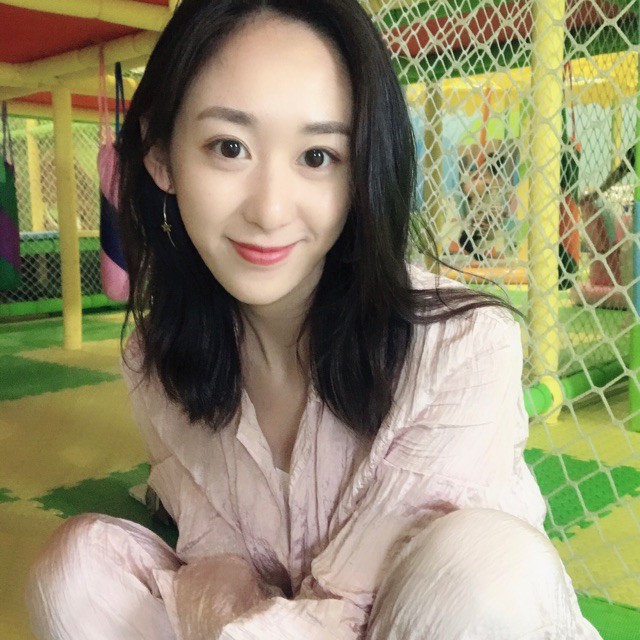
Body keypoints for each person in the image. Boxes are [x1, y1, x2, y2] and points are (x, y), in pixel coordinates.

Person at [26, 1, 603, 638]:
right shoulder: (155, 361)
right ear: (162, 157)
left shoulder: (463, 347)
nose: (270, 211)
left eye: (318, 156)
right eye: (229, 147)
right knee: (74, 571)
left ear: (362, 170)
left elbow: (363, 612)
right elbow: (220, 572)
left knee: (490, 568)